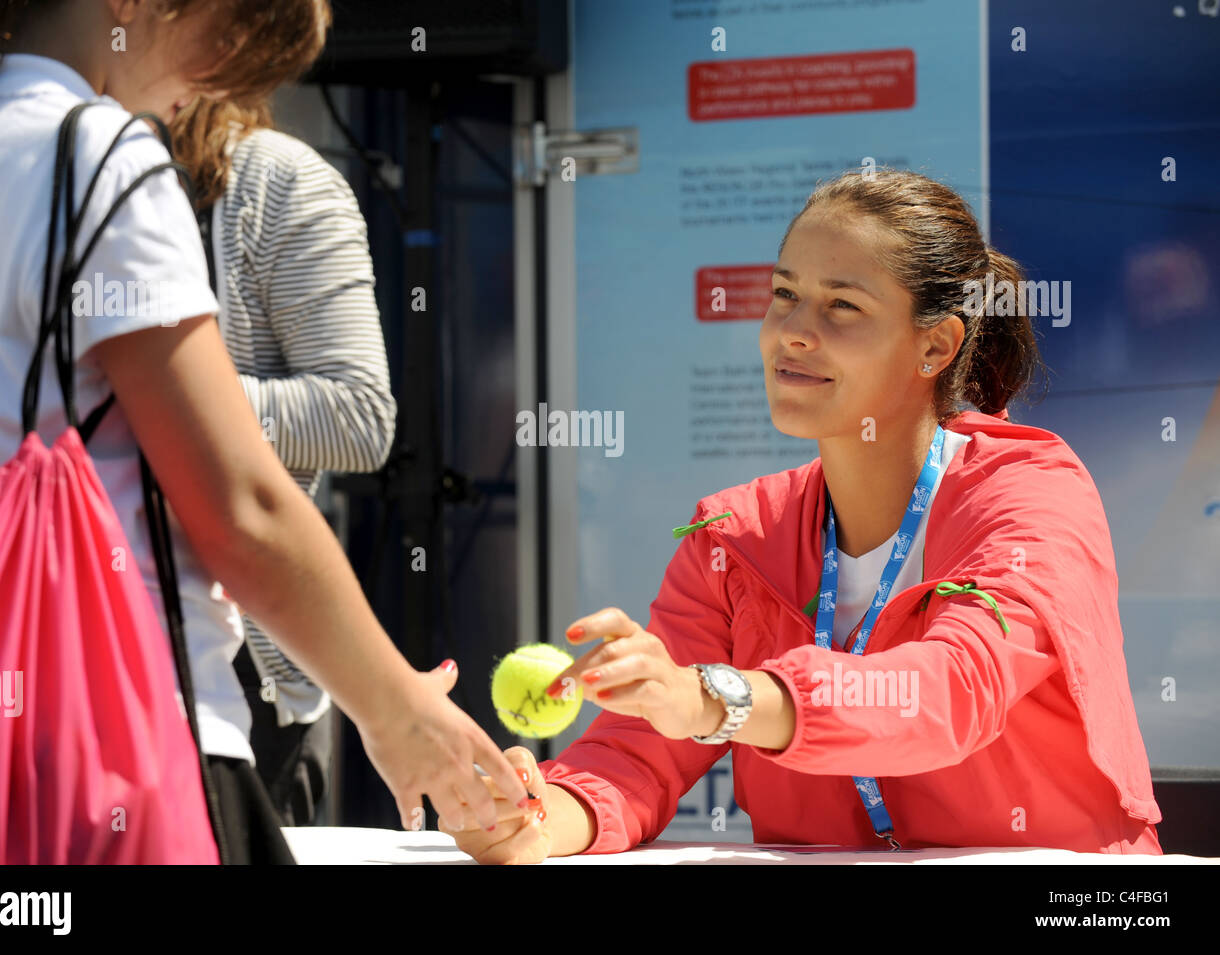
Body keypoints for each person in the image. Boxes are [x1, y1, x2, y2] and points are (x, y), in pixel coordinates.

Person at [0, 0, 526, 863]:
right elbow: (242, 505)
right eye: (233, 29)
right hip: (128, 746)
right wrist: (396, 710)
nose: (223, 75)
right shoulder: (95, 154)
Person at [444, 168, 1164, 863]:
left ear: (936, 345)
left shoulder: (1031, 494)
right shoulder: (733, 533)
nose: (792, 330)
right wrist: (534, 816)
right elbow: (636, 755)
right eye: (784, 294)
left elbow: (953, 688)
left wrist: (714, 696)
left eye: (842, 306)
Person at [167, 94, 396, 825]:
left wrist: (167, 393)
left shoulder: (277, 180)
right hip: (72, 656)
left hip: (244, 674)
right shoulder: (43, 165)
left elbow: (359, 418)